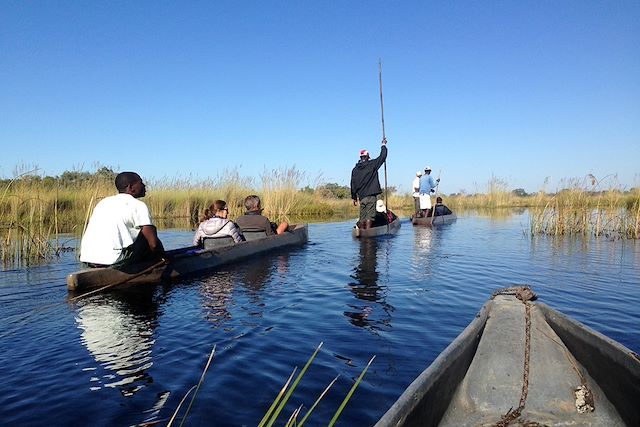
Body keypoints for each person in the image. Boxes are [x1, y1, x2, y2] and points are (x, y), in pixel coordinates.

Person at [80, 171, 165, 268]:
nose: (144, 185)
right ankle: (152, 265)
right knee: (147, 236)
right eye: (140, 183)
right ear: (131, 187)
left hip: (87, 258)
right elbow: (153, 244)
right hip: (114, 260)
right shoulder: (138, 205)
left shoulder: (103, 202)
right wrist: (164, 256)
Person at [350, 137, 387, 229]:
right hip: (371, 196)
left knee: (362, 217)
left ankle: (362, 234)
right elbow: (382, 157)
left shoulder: (355, 170)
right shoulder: (372, 164)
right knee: (370, 216)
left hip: (361, 197)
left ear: (361, 157)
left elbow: (352, 184)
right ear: (367, 157)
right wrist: (383, 145)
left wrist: (354, 198)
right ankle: (368, 234)